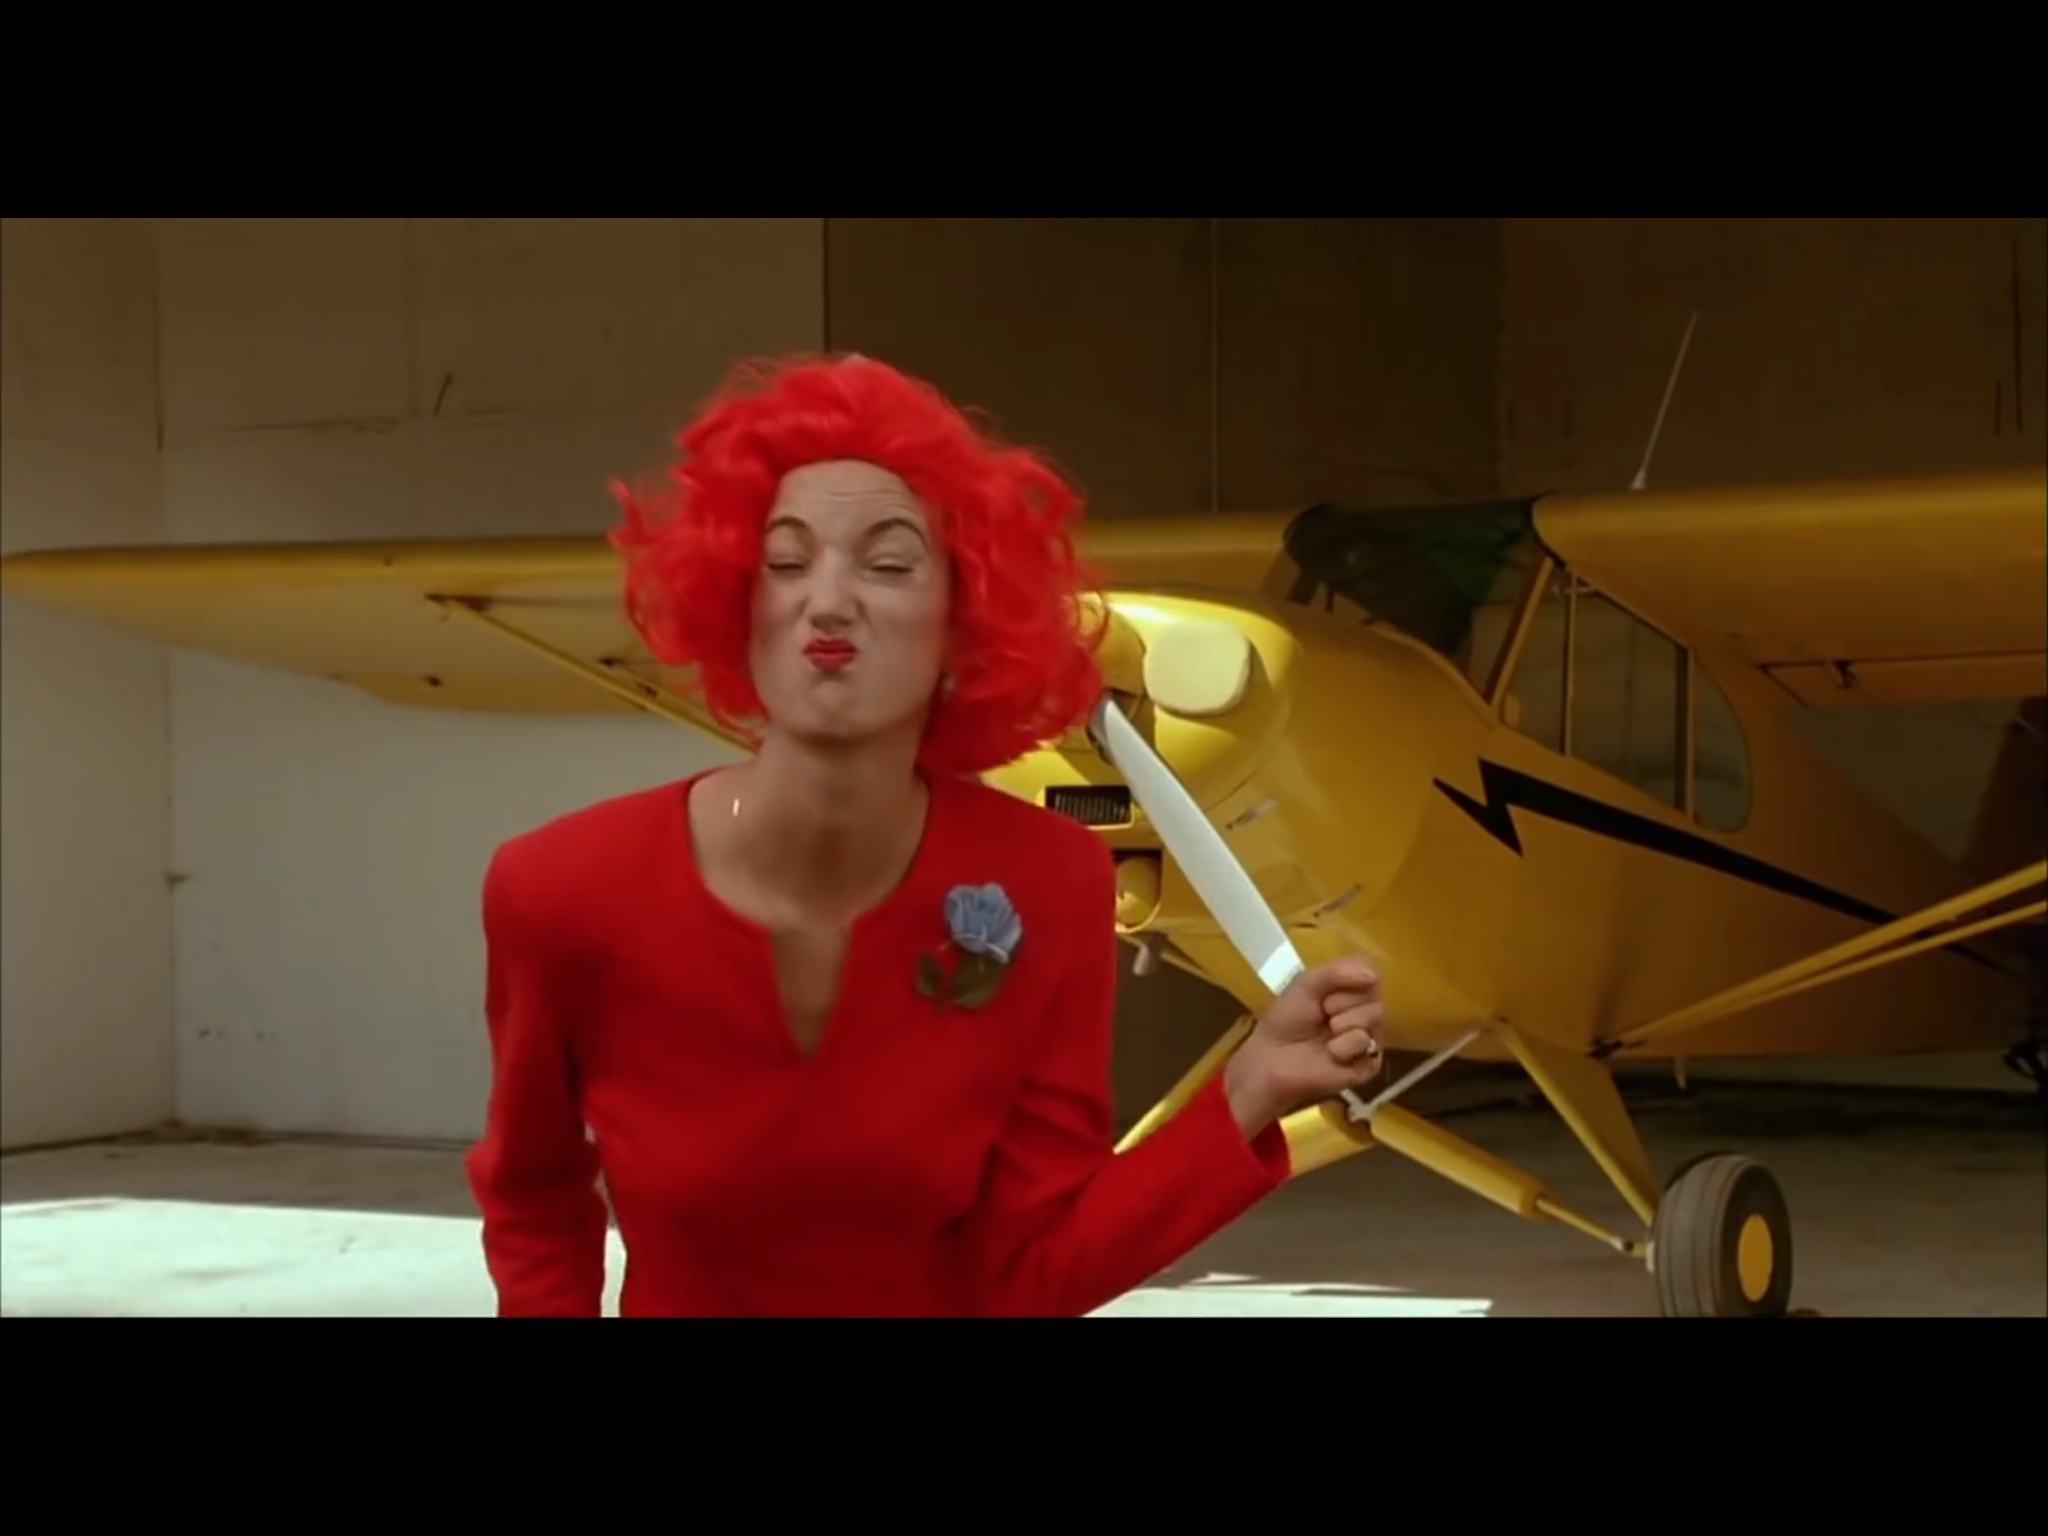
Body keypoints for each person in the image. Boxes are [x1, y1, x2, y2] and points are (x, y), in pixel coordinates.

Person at [464, 353, 1388, 1317]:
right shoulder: (560, 889)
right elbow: (534, 1198)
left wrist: (1248, 1089)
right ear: (737, 603)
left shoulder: (1051, 881)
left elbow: (1032, 1272)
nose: (829, 601)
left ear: (963, 618)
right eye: (786, 562)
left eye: (889, 563)